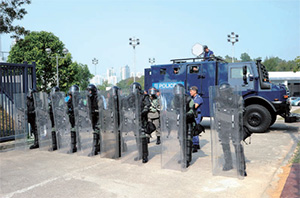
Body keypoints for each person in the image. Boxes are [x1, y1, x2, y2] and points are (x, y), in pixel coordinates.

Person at [214, 83, 247, 176]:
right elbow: (217, 112)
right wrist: (218, 126)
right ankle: (228, 163)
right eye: (222, 93)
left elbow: (242, 110)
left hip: (234, 125)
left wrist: (234, 114)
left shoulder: (238, 98)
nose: (223, 94)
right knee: (225, 145)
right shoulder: (219, 100)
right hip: (224, 126)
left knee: (237, 145)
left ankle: (241, 167)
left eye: (225, 92)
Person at [87, 84, 101, 156]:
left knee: (96, 132)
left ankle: (94, 150)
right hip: (93, 117)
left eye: (89, 91)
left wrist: (97, 111)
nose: (88, 92)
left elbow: (102, 108)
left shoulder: (98, 97)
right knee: (96, 131)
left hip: (99, 117)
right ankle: (99, 147)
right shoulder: (89, 98)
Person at [189, 86, 203, 153]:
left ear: (195, 91)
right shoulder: (192, 98)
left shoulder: (198, 98)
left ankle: (195, 145)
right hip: (193, 114)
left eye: (191, 91)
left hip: (196, 115)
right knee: (192, 128)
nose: (190, 92)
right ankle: (196, 144)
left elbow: (195, 106)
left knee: (195, 128)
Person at [67, 85, 79, 153]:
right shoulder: (69, 99)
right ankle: (73, 146)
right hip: (71, 118)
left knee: (75, 131)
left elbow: (82, 106)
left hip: (77, 118)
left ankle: (77, 146)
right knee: (72, 131)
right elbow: (65, 105)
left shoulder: (79, 99)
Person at [48, 86, 60, 151]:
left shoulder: (59, 99)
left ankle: (58, 144)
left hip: (57, 115)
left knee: (57, 130)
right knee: (53, 129)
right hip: (51, 115)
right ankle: (54, 144)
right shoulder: (50, 98)